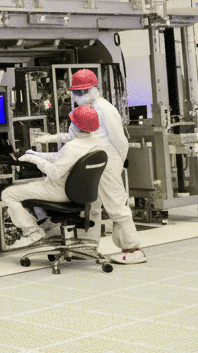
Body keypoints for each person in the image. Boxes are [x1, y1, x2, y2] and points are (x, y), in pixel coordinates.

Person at [55, 69, 145, 264]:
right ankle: (87, 246)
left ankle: (133, 249)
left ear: (94, 89)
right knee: (91, 205)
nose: (79, 96)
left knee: (116, 205)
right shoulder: (85, 110)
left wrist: (116, 163)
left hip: (107, 161)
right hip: (91, 162)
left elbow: (120, 140)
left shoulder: (104, 108)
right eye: (76, 92)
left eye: (83, 91)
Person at [4, 105, 107, 249]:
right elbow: (61, 157)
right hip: (82, 193)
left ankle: (32, 232)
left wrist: (34, 160)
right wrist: (36, 154)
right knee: (31, 186)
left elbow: (54, 172)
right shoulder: (96, 143)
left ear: (75, 125)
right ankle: (46, 224)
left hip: (60, 192)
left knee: (9, 194)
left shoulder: (73, 146)